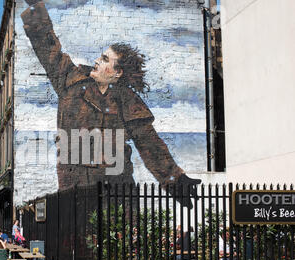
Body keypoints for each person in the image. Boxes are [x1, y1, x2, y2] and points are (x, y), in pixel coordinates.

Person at [21, 0, 201, 208]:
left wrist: (176, 182)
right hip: (75, 189)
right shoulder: (70, 80)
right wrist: (36, 7)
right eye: (100, 56)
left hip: (118, 190)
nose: (97, 61)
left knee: (121, 237)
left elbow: (149, 145)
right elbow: (47, 47)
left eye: (105, 59)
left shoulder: (127, 100)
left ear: (118, 73)